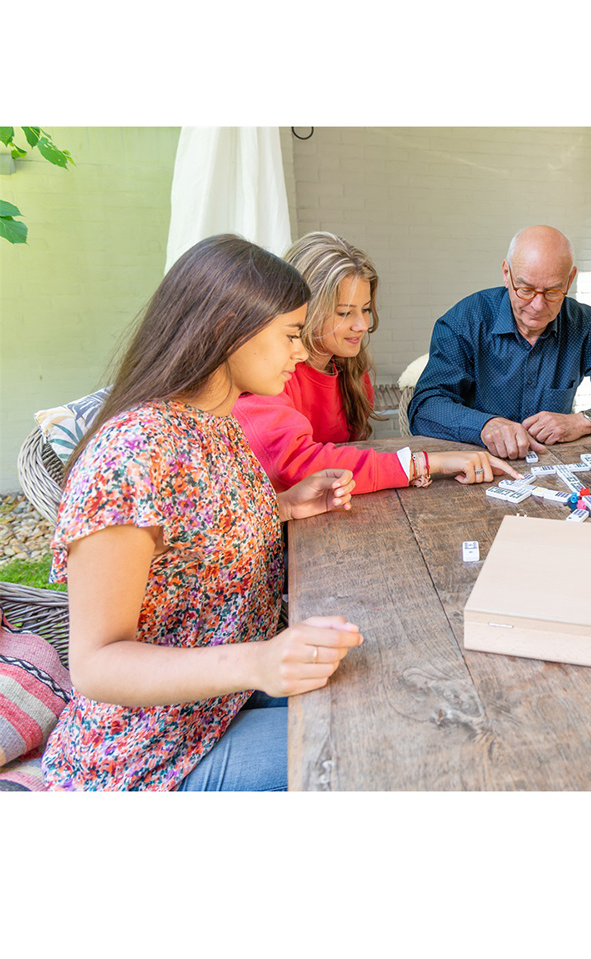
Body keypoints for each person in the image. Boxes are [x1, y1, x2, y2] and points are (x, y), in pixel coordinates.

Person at [42, 234, 363, 792]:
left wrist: (284, 506)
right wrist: (260, 662)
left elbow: (196, 535)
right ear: (224, 331)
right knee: (366, 748)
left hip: (220, 702)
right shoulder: (130, 460)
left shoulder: (213, 420)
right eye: (290, 334)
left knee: (384, 689)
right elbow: (96, 665)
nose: (302, 352)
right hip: (151, 753)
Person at [233, 232, 519, 492]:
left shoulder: (350, 370)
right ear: (304, 309)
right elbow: (297, 464)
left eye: (366, 309)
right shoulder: (266, 375)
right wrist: (427, 463)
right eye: (345, 313)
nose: (362, 325)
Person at [407, 224, 591, 459]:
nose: (538, 306)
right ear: (506, 274)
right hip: (475, 461)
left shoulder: (584, 324)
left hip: (551, 465)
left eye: (553, 291)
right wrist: (485, 426)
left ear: (570, 279)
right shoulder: (464, 322)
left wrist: (581, 422)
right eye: (526, 290)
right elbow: (424, 408)